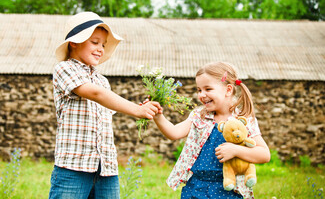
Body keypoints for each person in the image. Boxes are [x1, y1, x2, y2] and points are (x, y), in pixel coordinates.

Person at [49, 11, 161, 199]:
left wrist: (143, 107)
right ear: (74, 42)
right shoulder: (64, 68)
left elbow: (108, 106)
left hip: (106, 168)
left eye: (103, 44)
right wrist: (136, 110)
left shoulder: (102, 80)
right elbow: (95, 94)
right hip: (73, 166)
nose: (100, 48)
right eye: (95, 42)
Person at [152, 62, 270, 199]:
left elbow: (264, 154)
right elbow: (174, 133)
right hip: (196, 186)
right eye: (199, 90)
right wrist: (158, 116)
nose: (201, 95)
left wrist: (236, 150)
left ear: (228, 90)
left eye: (208, 89)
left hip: (228, 188)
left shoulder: (243, 120)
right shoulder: (198, 116)